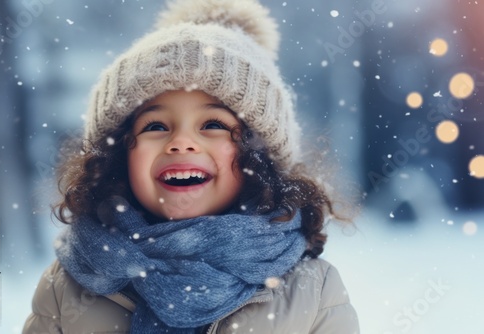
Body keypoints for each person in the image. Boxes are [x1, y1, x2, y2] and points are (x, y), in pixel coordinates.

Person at [23, 0, 360, 333]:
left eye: (213, 124)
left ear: (260, 154)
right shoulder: (66, 288)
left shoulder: (313, 292)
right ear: (118, 156)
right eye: (155, 126)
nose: (181, 142)